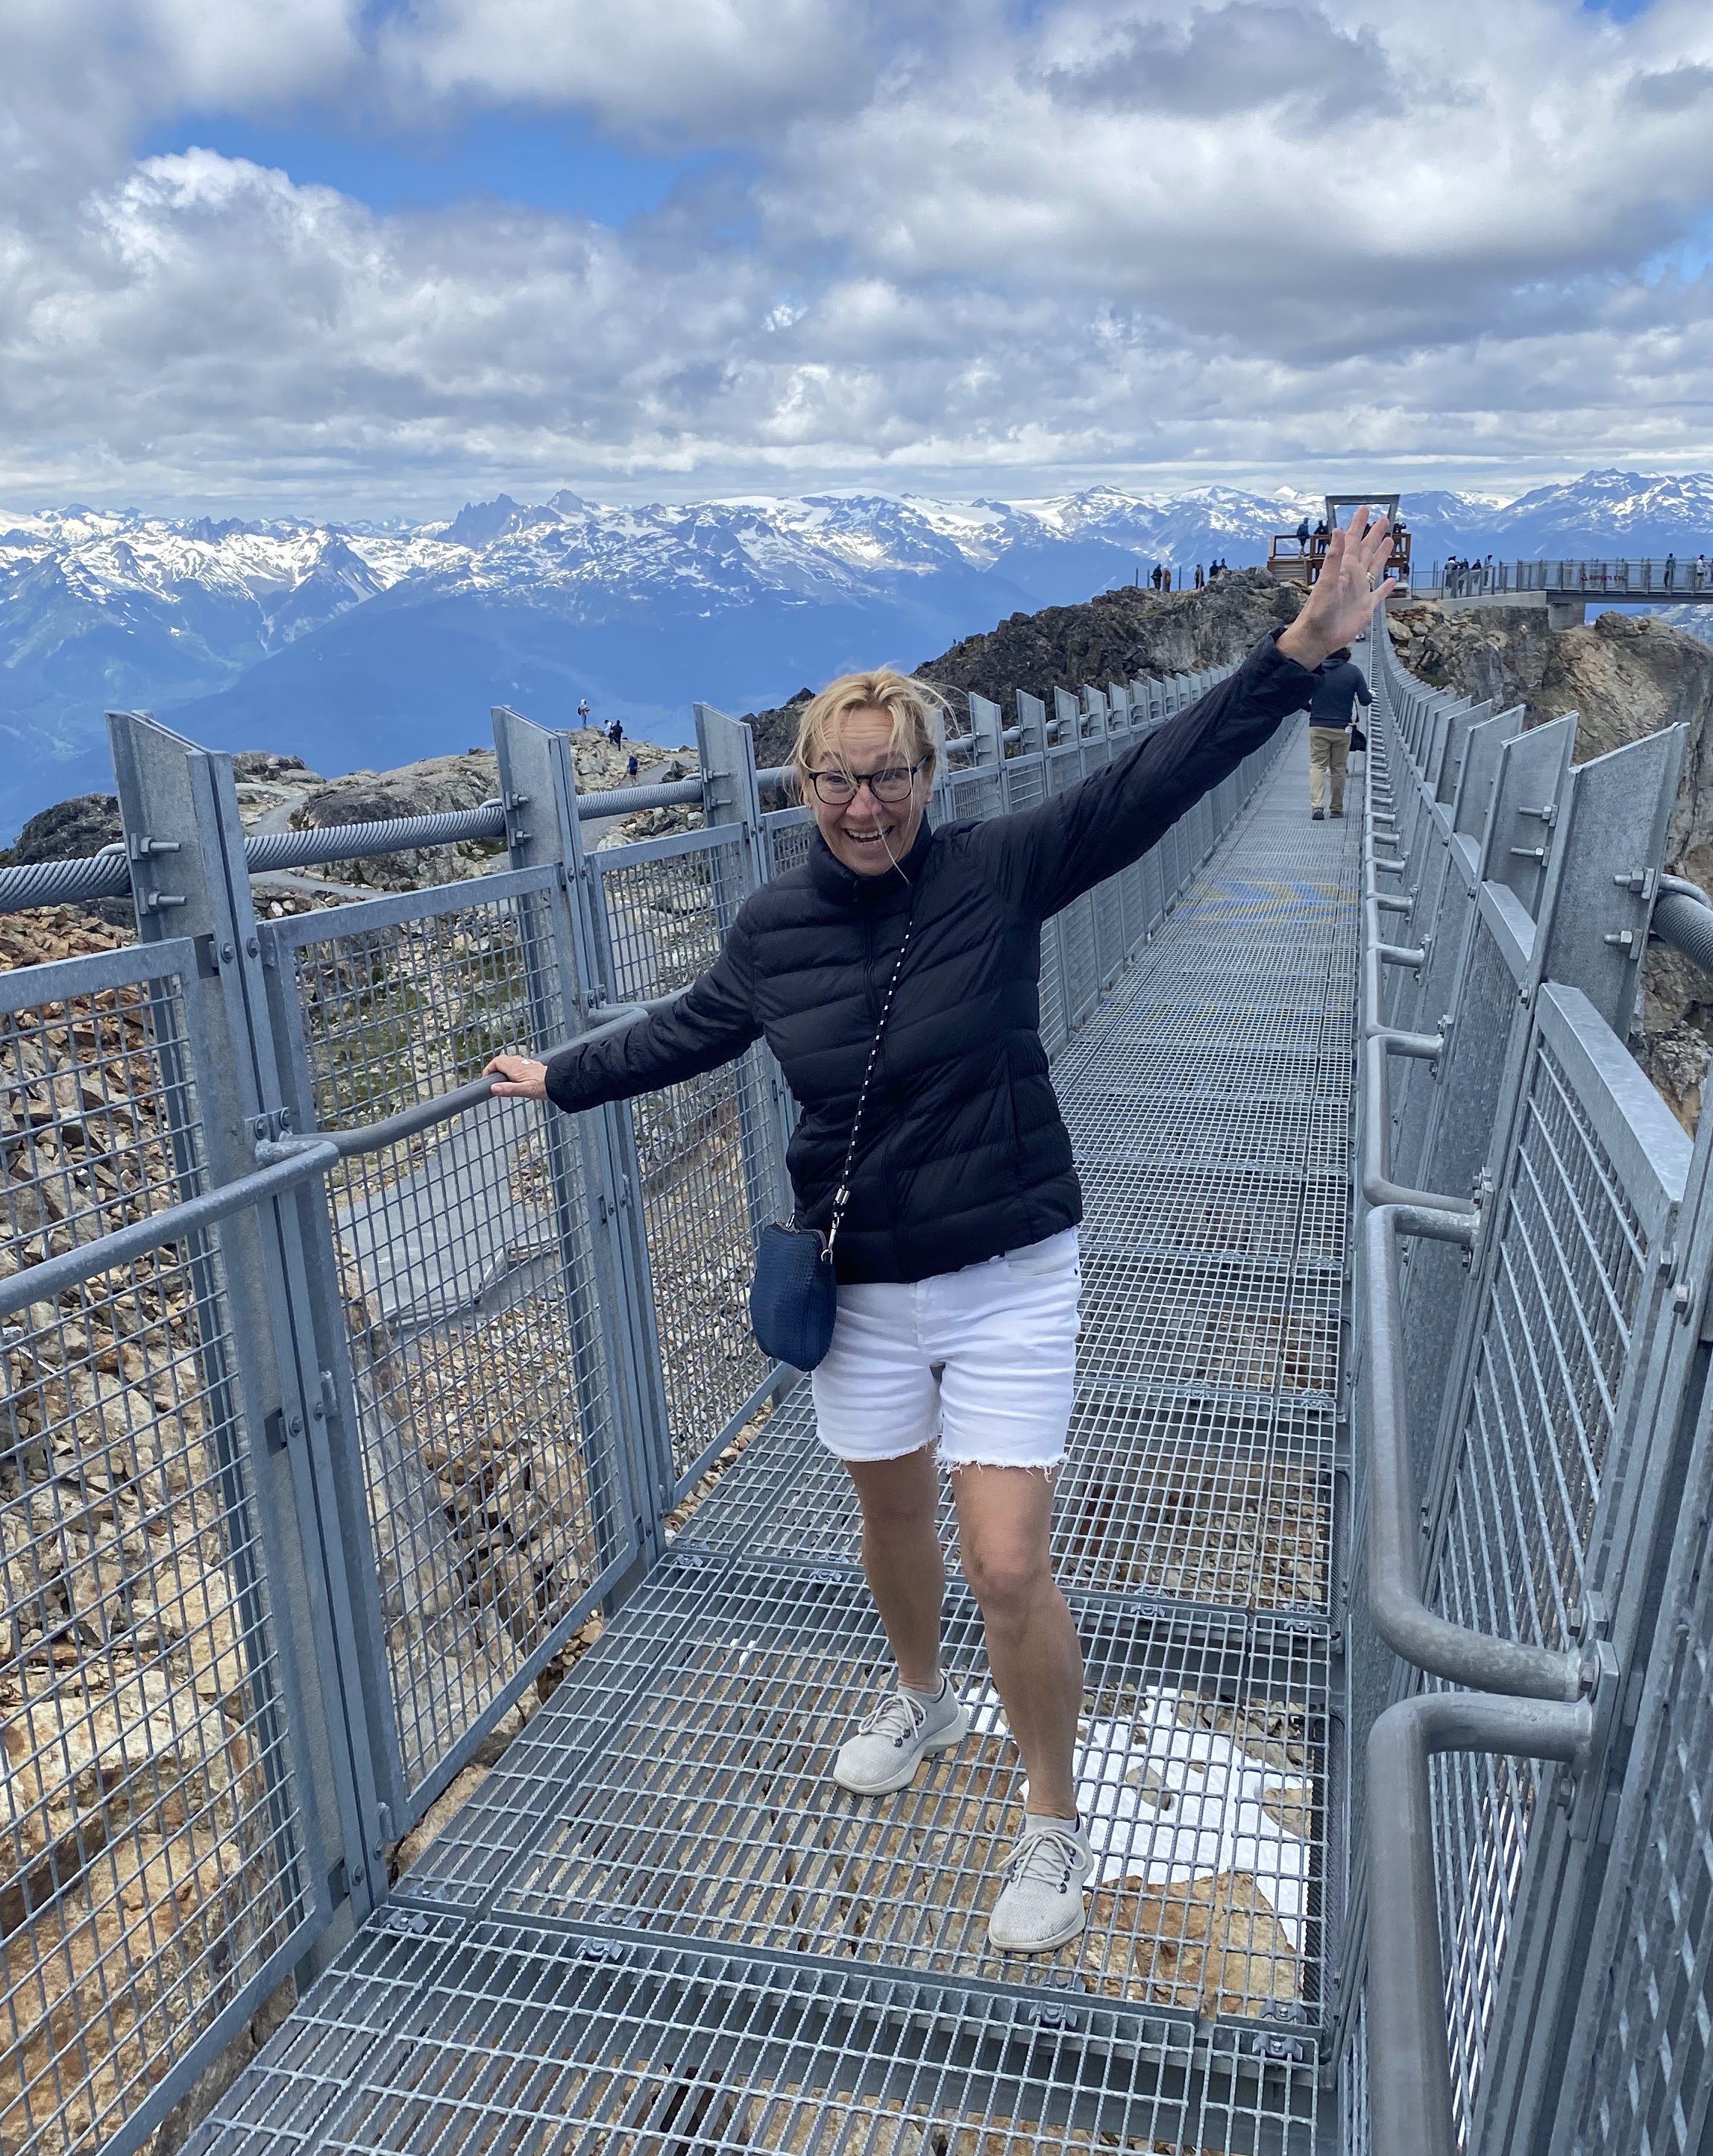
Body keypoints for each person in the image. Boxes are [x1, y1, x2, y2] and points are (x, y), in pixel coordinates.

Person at [485, 514, 1399, 1954]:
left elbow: (1151, 781)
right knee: (891, 1519)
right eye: (839, 779)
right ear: (804, 784)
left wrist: (1296, 653)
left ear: (930, 772)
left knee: (1007, 1559)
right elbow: (688, 1031)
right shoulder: (771, 929)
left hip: (1007, 1269)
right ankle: (919, 1694)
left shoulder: (998, 871)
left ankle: (1051, 1817)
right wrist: (561, 1075)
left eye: (890, 774)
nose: (866, 805)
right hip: (856, 1282)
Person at [1306, 650, 1370, 820]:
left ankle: (1317, 806)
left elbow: (1299, 696)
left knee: (1318, 765)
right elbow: (1365, 700)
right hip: (1343, 727)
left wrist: (1312, 709)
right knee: (1338, 768)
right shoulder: (1353, 672)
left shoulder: (1315, 670)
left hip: (1318, 725)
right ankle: (1336, 808)